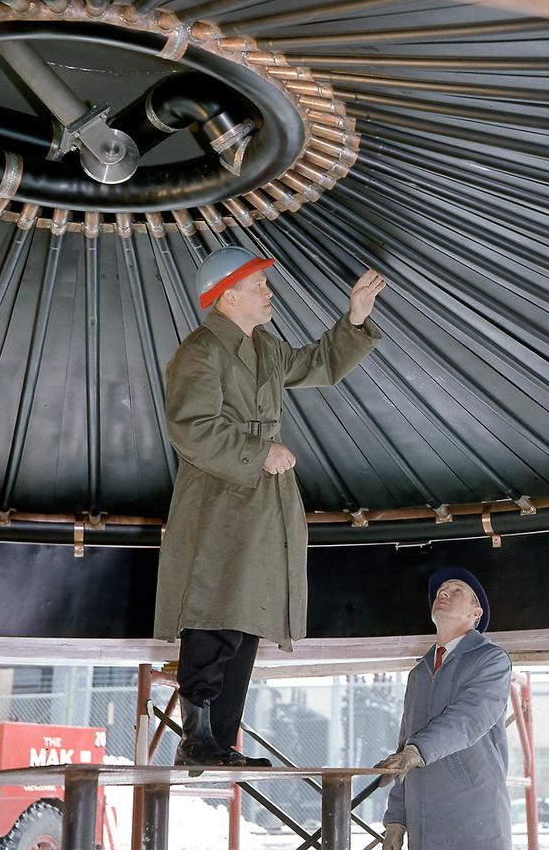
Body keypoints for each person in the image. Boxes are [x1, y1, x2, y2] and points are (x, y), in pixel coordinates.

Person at [154, 245, 385, 767]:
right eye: (259, 285)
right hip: (218, 497)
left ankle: (218, 742)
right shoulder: (200, 351)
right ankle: (198, 741)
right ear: (228, 295)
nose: (268, 293)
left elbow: (319, 364)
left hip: (261, 499)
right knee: (213, 611)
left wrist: (354, 319)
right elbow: (190, 428)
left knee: (245, 615)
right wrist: (260, 452)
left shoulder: (265, 347)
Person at [376, 567, 512, 850]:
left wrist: (416, 752)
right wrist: (397, 820)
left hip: (474, 819)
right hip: (423, 826)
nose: (445, 593)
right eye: (441, 592)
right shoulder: (419, 673)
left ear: (476, 614)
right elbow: (405, 746)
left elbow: (470, 717)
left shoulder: (491, 660)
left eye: (456, 590)